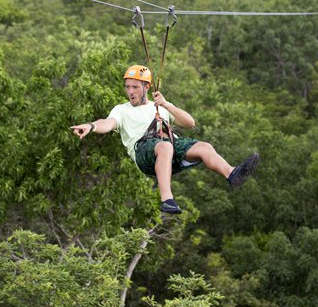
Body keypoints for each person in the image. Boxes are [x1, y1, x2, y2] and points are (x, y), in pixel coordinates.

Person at [71, 65, 259, 214]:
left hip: (168, 145)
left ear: (146, 87)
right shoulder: (122, 110)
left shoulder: (159, 106)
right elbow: (107, 123)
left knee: (204, 147)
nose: (130, 92)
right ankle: (167, 199)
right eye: (127, 87)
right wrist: (91, 126)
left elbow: (190, 123)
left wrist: (166, 104)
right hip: (143, 151)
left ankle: (231, 174)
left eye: (135, 87)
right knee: (165, 147)